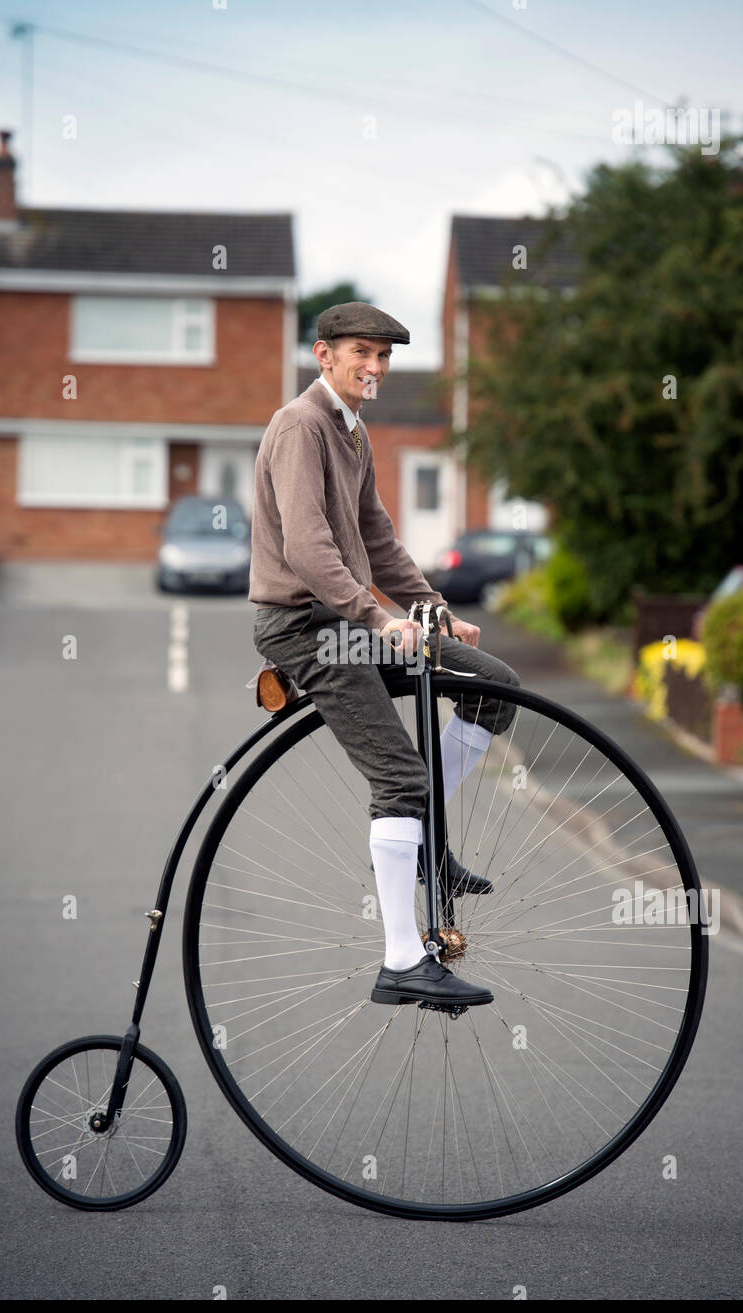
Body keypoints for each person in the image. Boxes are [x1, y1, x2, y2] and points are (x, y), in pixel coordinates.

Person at [249, 301, 521, 1008]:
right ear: (323, 354)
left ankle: (425, 839)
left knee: (493, 685)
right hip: (303, 625)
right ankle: (402, 959)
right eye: (361, 353)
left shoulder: (354, 433)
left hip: (346, 617)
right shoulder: (298, 426)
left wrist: (432, 613)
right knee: (398, 777)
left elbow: (376, 542)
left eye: (384, 356)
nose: (374, 368)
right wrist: (376, 617)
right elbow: (309, 551)